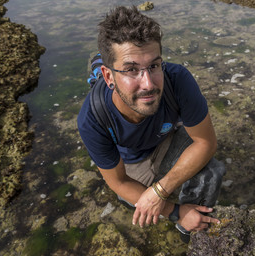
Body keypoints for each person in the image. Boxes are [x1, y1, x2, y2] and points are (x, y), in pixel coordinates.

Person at [77, 6, 225, 241]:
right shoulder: (92, 118)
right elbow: (118, 181)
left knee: (212, 171)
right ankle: (98, 66)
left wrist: (159, 191)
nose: (148, 84)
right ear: (109, 77)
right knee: (129, 201)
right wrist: (175, 211)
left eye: (154, 66)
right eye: (131, 69)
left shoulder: (177, 80)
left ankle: (192, 235)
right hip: (133, 160)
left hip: (165, 138)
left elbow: (206, 142)